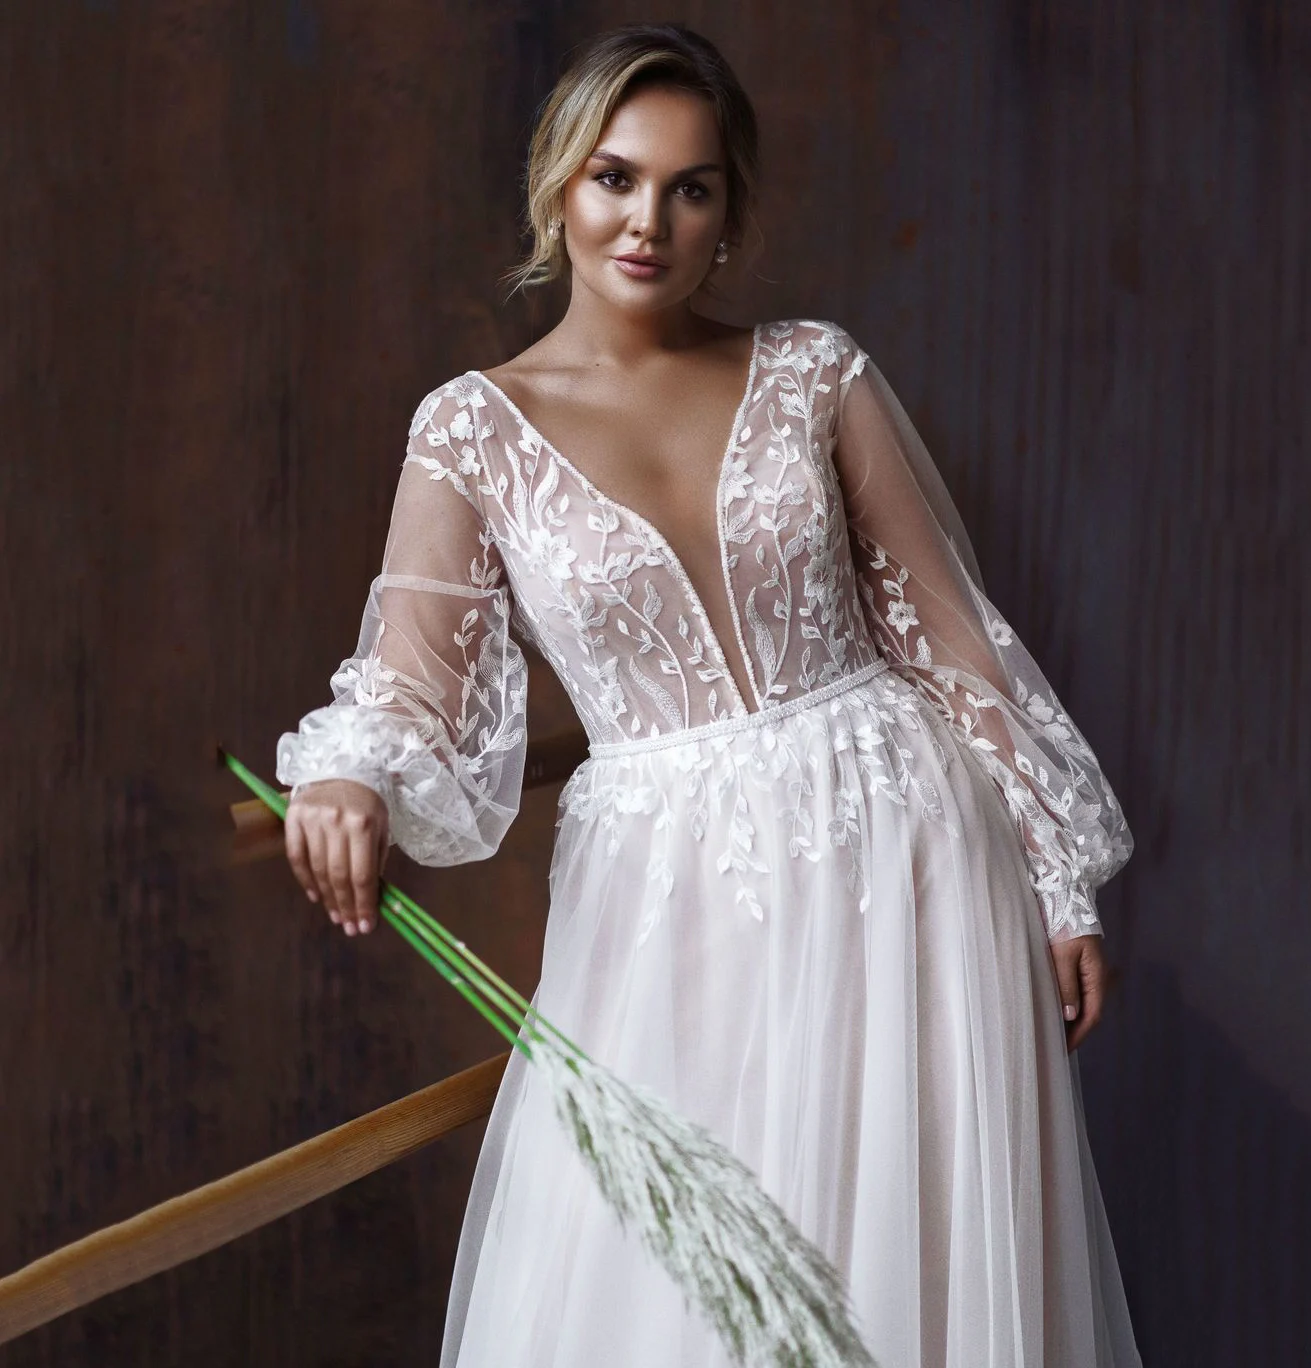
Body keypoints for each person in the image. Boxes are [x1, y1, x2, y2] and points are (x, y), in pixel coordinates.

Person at [275, 21, 1143, 1368]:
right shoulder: (471, 428)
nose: (649, 222)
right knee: (676, 1284)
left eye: (691, 188)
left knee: (913, 1264)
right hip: (674, 893)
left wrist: (1056, 873)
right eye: (615, 178)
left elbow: (949, 632)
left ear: (730, 212)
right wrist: (344, 772)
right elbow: (408, 680)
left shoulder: (814, 372)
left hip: (908, 857)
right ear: (559, 185)